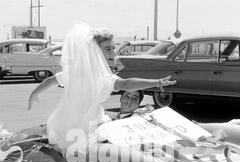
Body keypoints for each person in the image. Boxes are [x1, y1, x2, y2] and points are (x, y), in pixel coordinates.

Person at [28, 22, 175, 150]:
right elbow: (51, 80)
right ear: (94, 52)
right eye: (108, 49)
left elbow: (126, 83)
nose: (113, 52)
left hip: (93, 121)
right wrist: (34, 93)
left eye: (113, 48)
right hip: (73, 126)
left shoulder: (104, 77)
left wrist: (155, 82)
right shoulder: (79, 74)